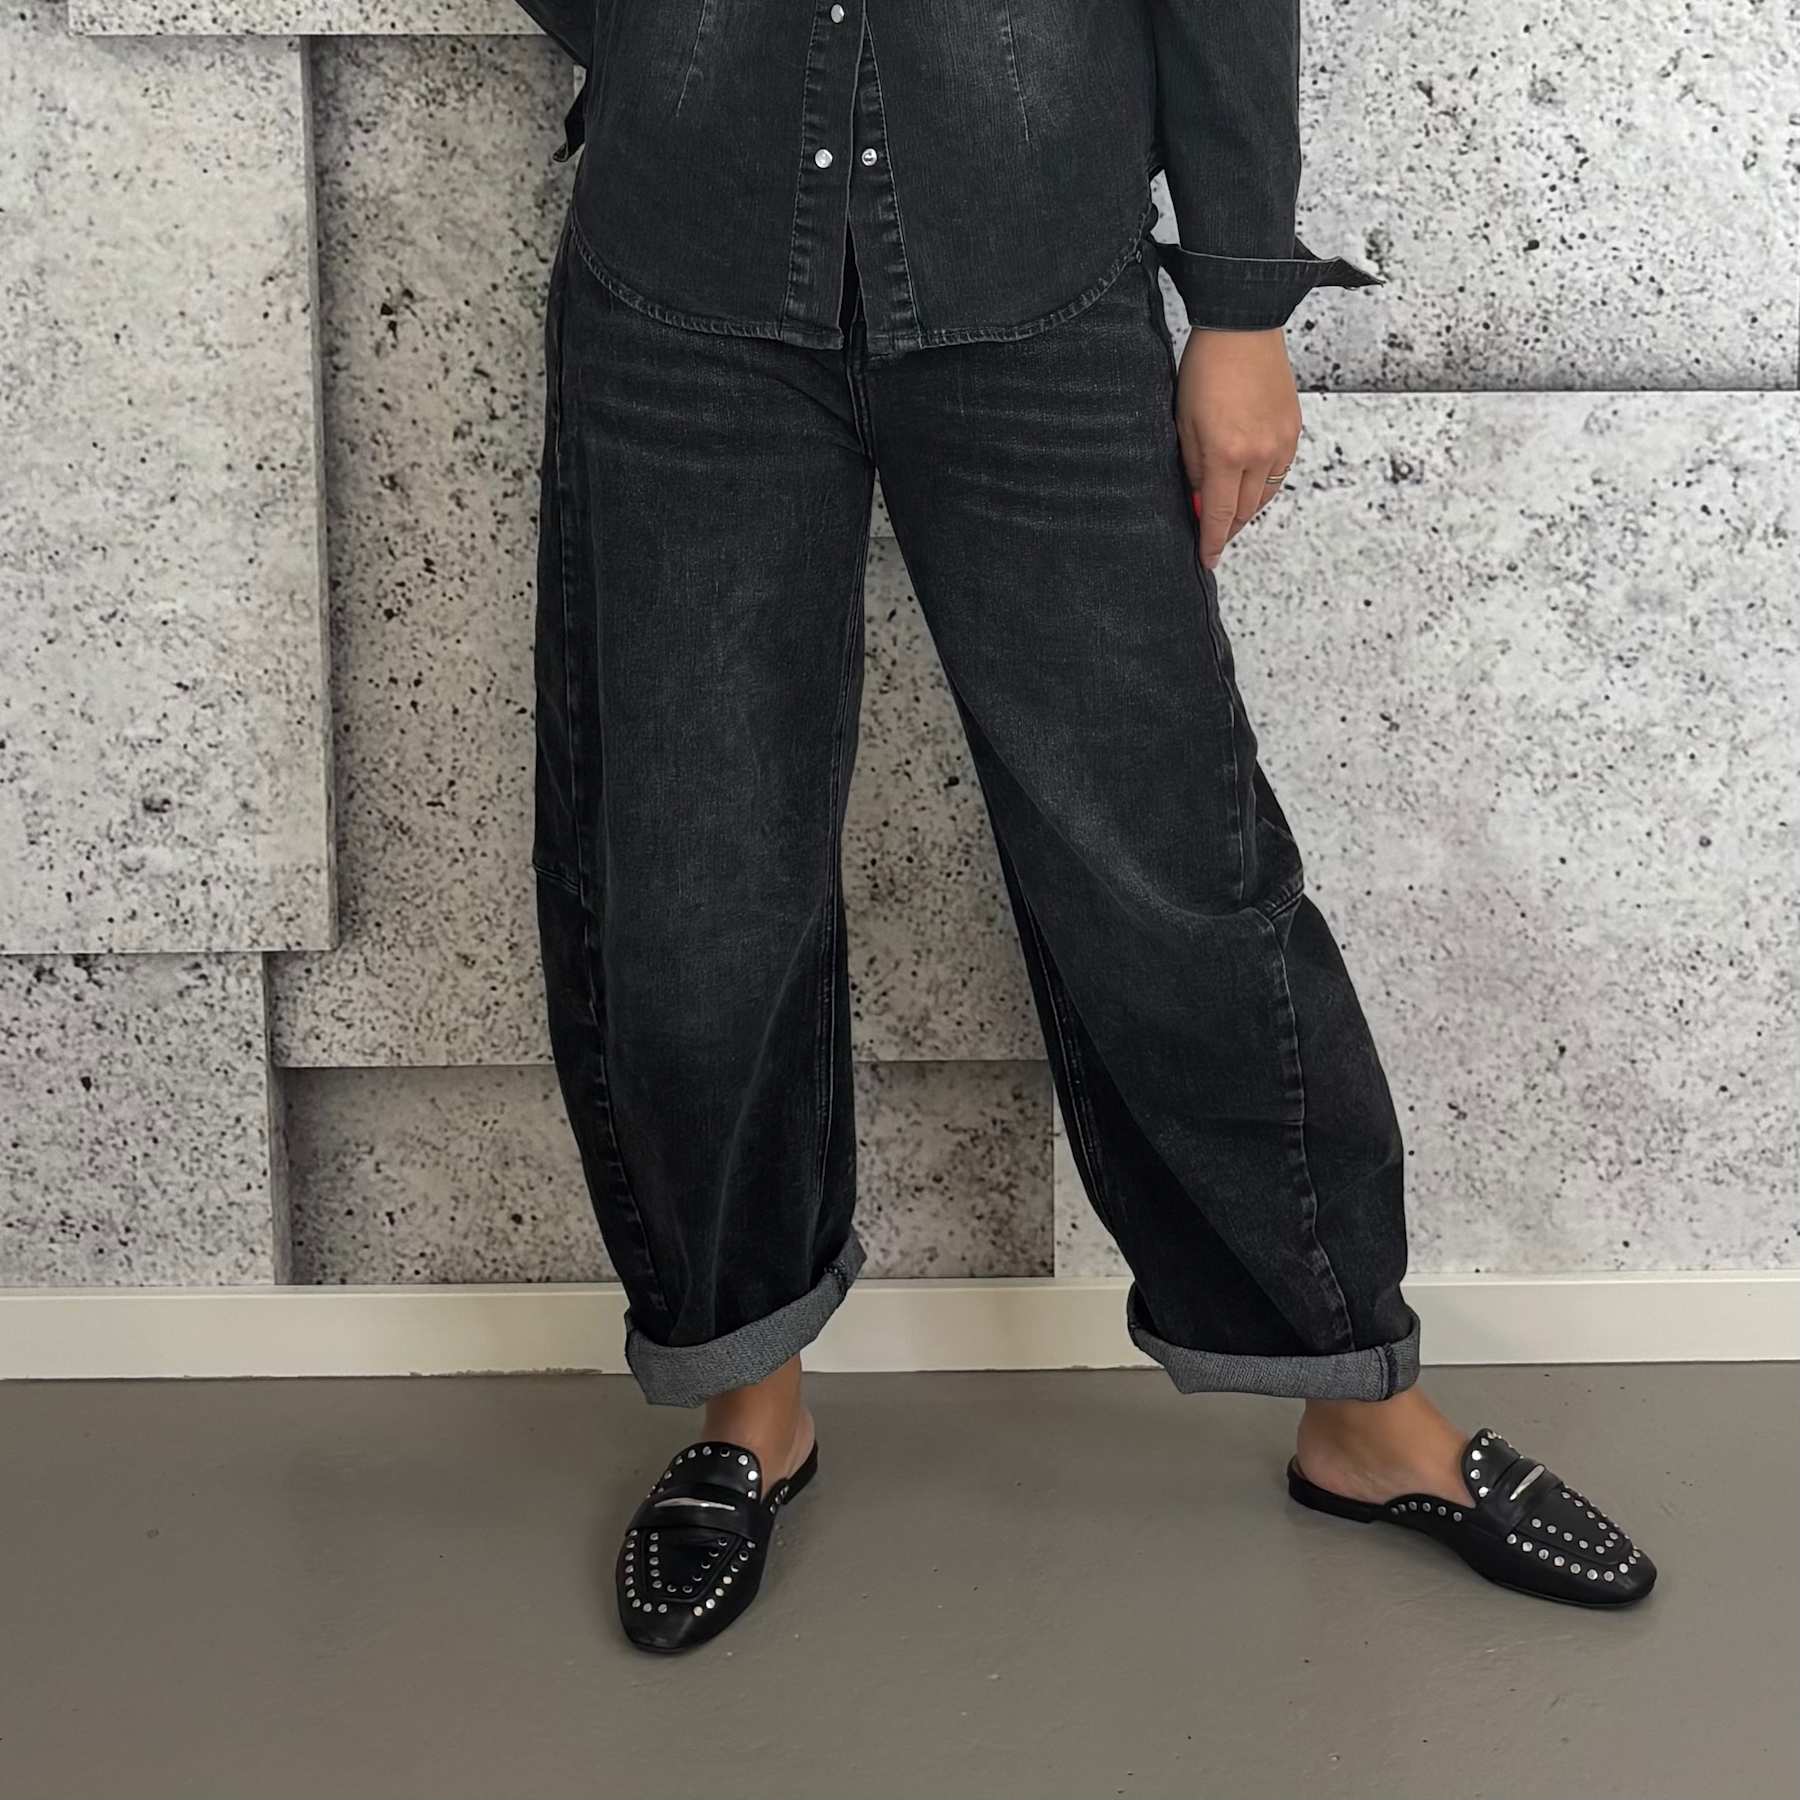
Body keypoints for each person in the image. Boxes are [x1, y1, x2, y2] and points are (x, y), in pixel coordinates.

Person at [513, 0, 1657, 1652]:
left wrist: (1242, 306)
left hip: (1037, 276)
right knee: (691, 876)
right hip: (682, 286)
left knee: (1171, 873)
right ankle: (747, 1404)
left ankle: (1358, 1408)